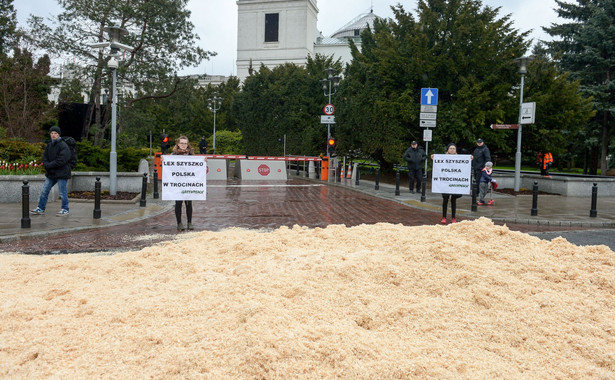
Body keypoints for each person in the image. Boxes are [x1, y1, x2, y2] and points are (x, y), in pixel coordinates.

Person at [31, 126, 72, 216]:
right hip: (51, 173)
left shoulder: (63, 145)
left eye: (55, 133)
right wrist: (46, 164)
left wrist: (49, 165)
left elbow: (62, 160)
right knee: (45, 190)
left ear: (59, 134)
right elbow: (45, 157)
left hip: (62, 173)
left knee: (62, 192)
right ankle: (41, 208)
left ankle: (65, 209)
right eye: (52, 133)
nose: (53, 135)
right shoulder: (49, 145)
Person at [431, 143, 462, 224]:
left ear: (456, 150)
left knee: (453, 200)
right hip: (445, 183)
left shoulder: (460, 158)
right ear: (448, 149)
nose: (452, 149)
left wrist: (470, 158)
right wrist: (433, 157)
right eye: (450, 148)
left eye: (453, 148)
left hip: (454, 183)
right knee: (445, 200)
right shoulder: (443, 157)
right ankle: (444, 217)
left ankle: (453, 218)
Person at [173, 136, 195, 231]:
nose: (183, 145)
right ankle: (179, 223)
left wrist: (203, 162)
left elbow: (198, 169)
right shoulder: (173, 155)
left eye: (185, 143)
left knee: (188, 203)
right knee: (178, 203)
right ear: (178, 144)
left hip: (188, 183)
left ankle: (189, 222)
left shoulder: (191, 156)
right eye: (182, 143)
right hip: (177, 183)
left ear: (187, 145)